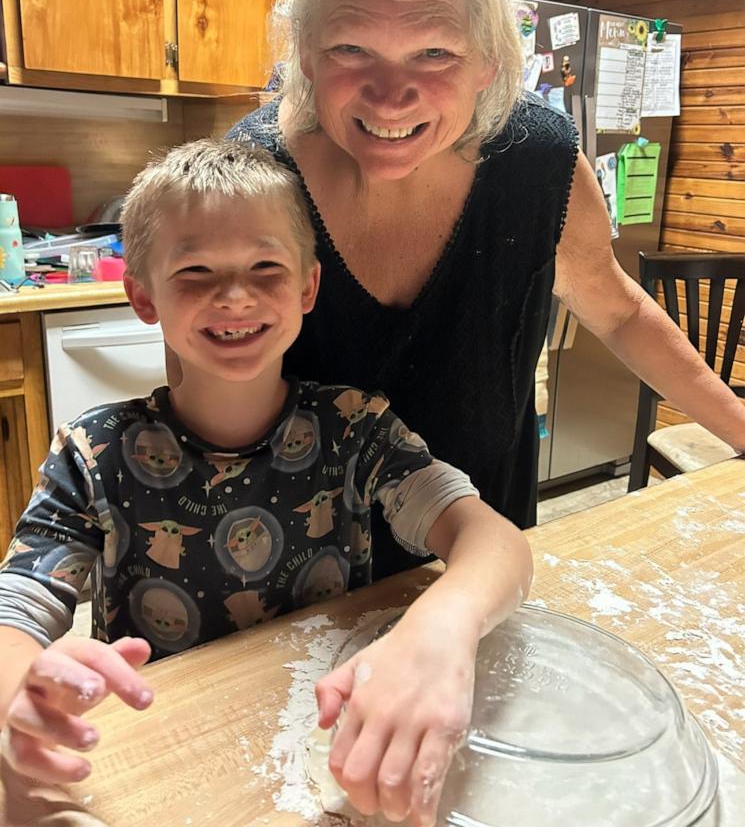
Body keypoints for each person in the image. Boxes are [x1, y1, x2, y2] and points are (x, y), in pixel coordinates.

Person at [225, 0, 745, 580]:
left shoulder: (537, 159)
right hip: (296, 567)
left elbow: (619, 312)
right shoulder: (250, 179)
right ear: (305, 52)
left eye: (434, 52)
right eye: (351, 47)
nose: (389, 94)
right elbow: (202, 408)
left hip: (483, 549)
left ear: (487, 63)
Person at [0, 140, 532, 827]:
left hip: (319, 739)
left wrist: (442, 627)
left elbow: (493, 539)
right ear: (142, 296)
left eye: (265, 267)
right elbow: (15, 607)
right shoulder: (93, 453)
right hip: (171, 757)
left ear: (307, 288)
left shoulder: (355, 428)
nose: (234, 296)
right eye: (193, 271)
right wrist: (19, 686)